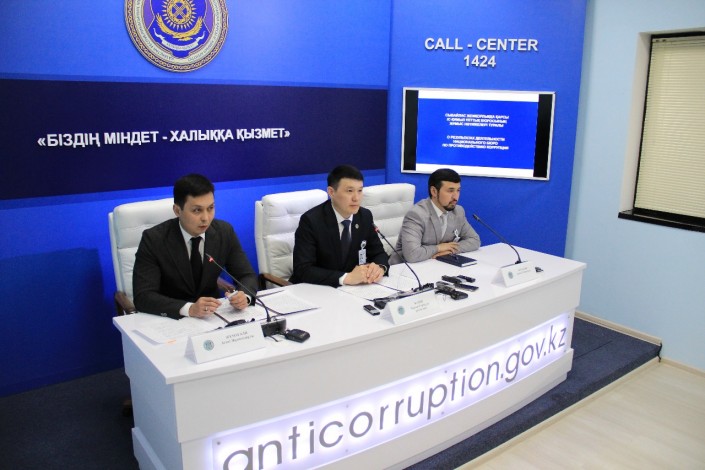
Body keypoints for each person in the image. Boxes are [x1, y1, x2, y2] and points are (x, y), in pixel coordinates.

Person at [132, 173, 257, 319]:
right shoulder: (154, 239)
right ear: (177, 210)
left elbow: (246, 275)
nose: (206, 218)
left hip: (214, 316)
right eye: (197, 210)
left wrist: (245, 296)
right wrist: (189, 308)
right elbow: (143, 296)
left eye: (210, 208)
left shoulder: (224, 232)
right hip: (171, 319)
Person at [290, 164, 390, 287]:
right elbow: (303, 269)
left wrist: (380, 268)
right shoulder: (311, 221)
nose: (356, 198)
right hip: (315, 289)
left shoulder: (364, 216)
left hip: (351, 290)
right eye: (349, 191)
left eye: (360, 190)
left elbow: (379, 253)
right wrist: (346, 278)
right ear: (331, 192)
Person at [390, 168, 480, 264]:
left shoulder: (458, 211)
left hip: (436, 265)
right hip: (405, 268)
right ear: (434, 191)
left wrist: (450, 250)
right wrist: (439, 248)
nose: (455, 197)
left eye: (458, 190)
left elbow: (474, 240)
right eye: (450, 191)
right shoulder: (416, 215)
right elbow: (412, 255)